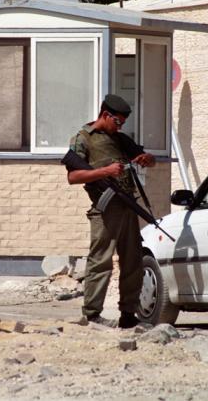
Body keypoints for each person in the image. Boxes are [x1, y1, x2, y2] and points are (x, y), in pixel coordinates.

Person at [65, 94, 156, 328]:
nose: (120, 126)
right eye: (117, 121)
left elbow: (146, 158)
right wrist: (105, 172)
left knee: (133, 261)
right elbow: (73, 176)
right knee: (101, 262)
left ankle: (128, 314)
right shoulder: (83, 139)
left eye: (123, 123)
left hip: (127, 206)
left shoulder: (120, 139)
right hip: (105, 210)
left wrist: (147, 159)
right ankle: (92, 314)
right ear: (105, 115)